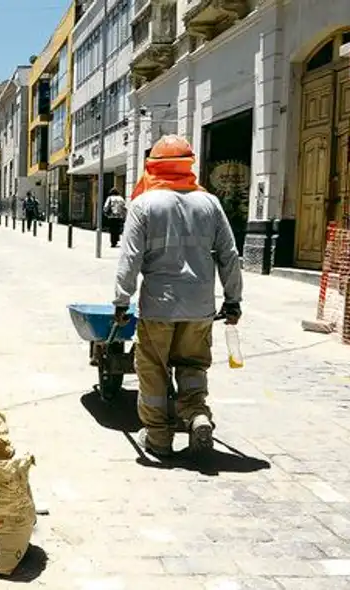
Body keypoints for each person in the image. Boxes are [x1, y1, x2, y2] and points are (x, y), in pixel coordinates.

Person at [113, 135, 243, 459]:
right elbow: (229, 255)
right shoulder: (210, 203)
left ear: (152, 167)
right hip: (199, 307)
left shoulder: (144, 205)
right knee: (192, 365)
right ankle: (197, 414)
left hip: (159, 306)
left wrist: (120, 300)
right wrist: (233, 300)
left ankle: (158, 439)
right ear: (188, 166)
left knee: (154, 369)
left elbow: (129, 259)